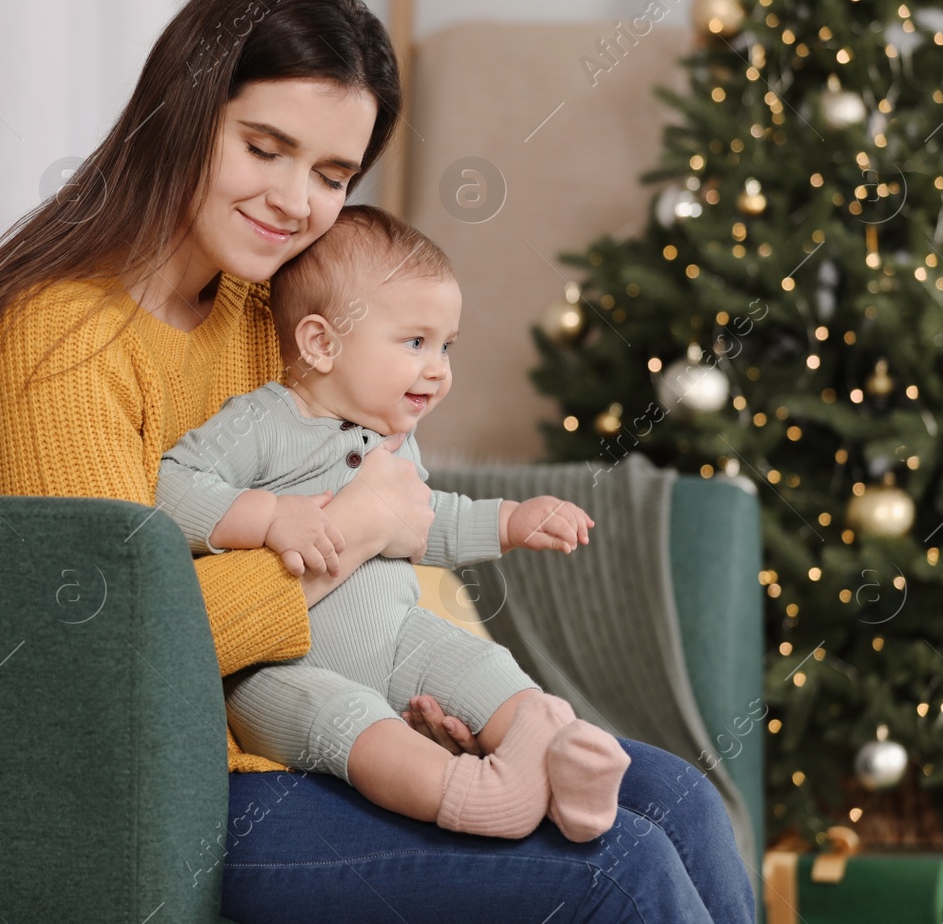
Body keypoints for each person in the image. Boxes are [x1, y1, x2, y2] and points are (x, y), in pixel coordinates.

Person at [0, 0, 755, 923]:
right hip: (136, 787)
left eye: (330, 174)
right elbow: (104, 651)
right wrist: (351, 534)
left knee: (684, 803)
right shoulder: (60, 341)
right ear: (186, 111)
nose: (294, 201)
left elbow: (340, 514)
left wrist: (395, 702)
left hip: (295, 724)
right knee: (621, 870)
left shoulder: (261, 305)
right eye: (264, 147)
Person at [153, 204, 631, 843]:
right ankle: (482, 797)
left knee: (474, 661)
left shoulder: (395, 441)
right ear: (321, 343)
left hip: (395, 640)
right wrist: (267, 516)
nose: (438, 368)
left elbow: (424, 526)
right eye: (415, 342)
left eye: (446, 346)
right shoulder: (265, 422)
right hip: (280, 669)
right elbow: (168, 488)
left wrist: (512, 521)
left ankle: (555, 742)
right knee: (349, 722)